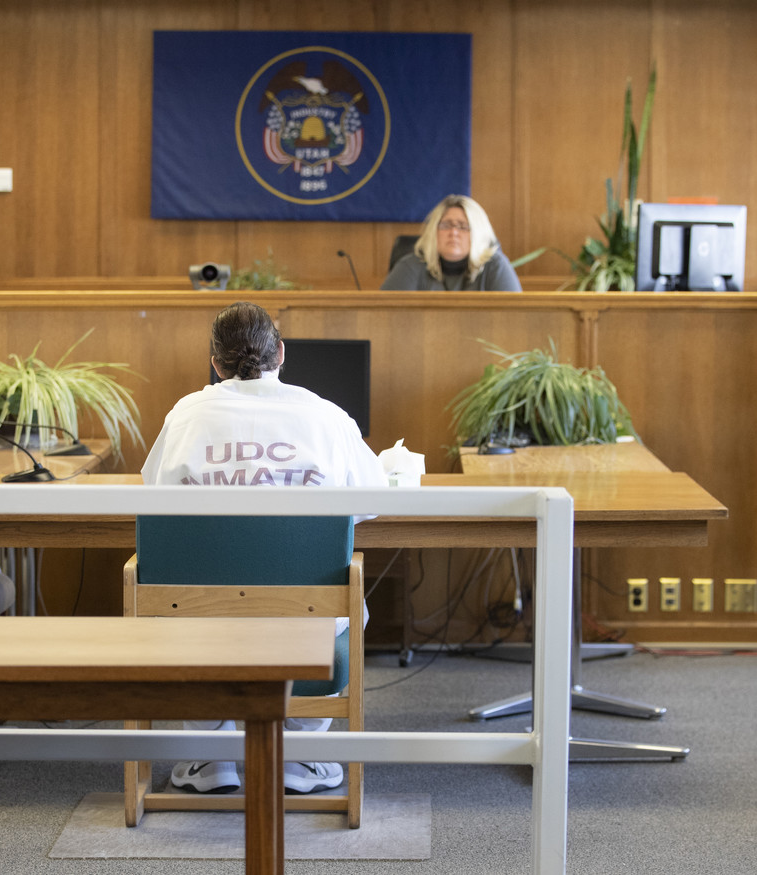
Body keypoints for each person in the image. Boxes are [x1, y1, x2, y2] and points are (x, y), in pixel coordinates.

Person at [142, 300, 387, 796]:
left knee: (172, 597)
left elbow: (155, 500)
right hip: (302, 620)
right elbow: (370, 501)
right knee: (349, 597)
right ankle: (300, 756)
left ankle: (210, 758)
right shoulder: (326, 416)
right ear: (280, 352)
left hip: (201, 620)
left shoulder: (186, 414)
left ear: (215, 363)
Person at [380, 194, 522, 291]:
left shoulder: (495, 266)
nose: (453, 232)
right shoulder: (410, 266)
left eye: (462, 226)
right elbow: (384, 316)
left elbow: (513, 319)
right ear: (433, 232)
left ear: (478, 234)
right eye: (446, 225)